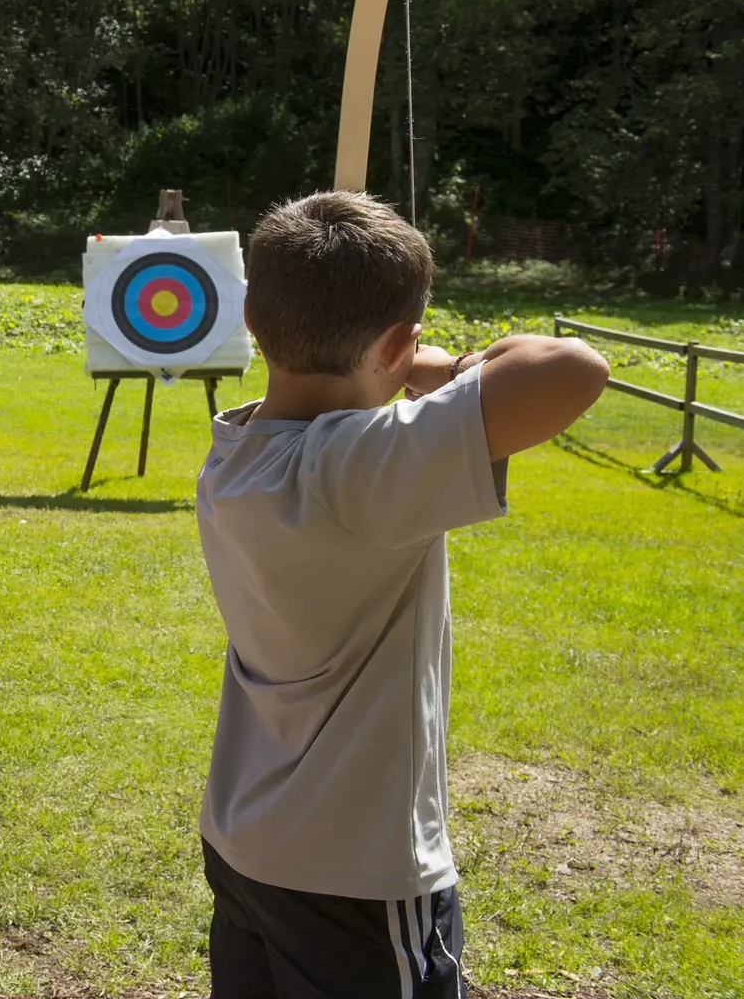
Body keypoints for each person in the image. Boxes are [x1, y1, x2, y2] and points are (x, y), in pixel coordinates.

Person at [195, 191, 609, 998]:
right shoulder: (357, 471)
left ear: (251, 319)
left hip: (246, 841)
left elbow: (336, 399)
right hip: (355, 870)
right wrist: (445, 367)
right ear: (397, 345)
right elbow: (575, 368)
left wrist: (396, 358)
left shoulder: (235, 450)